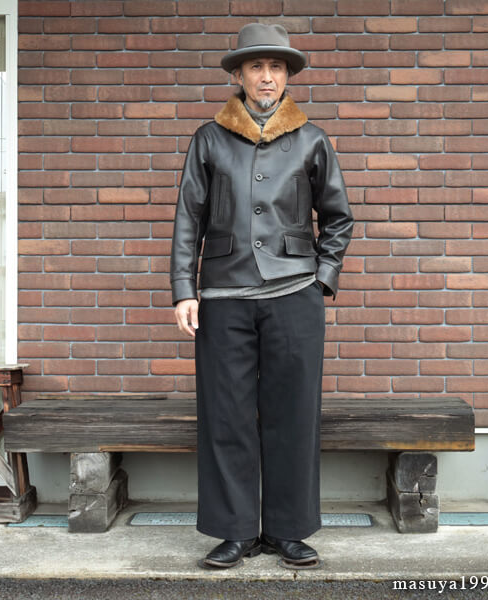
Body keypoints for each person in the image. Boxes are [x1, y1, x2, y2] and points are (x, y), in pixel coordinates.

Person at [170, 23, 354, 570]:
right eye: (256, 66)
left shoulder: (312, 139)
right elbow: (188, 219)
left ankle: (288, 531)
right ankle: (234, 532)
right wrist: (184, 289)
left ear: (288, 76)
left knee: (292, 415)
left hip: (295, 294)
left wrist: (322, 278)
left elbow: (339, 218)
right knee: (225, 417)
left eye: (276, 67)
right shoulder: (208, 139)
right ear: (238, 75)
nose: (267, 76)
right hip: (223, 296)